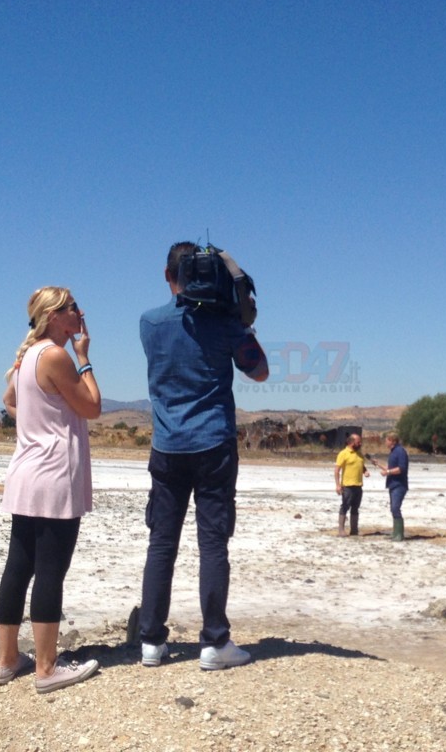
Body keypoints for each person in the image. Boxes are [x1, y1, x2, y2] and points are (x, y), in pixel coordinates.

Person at [138, 242, 269, 671]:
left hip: (166, 446)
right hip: (213, 445)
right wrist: (239, 314)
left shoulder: (149, 323)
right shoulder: (225, 325)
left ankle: (152, 642)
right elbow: (260, 370)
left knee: (162, 543)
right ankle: (215, 642)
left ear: (167, 274)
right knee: (212, 544)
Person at [0, 287, 101, 694]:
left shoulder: (26, 358)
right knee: (51, 570)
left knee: (19, 566)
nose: (80, 312)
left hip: (26, 471)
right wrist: (85, 357)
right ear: (55, 315)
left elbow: (9, 401)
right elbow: (91, 407)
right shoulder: (55, 355)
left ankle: (7, 661)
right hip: (54, 474)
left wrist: (36, 426)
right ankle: (45, 668)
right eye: (73, 307)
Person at [376, 432, 409, 541]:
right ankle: (396, 532)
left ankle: (399, 534)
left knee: (395, 508)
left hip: (399, 485)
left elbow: (401, 468)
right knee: (393, 508)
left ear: (392, 441)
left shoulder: (400, 452)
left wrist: (388, 472)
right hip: (393, 484)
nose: (385, 442)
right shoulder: (393, 452)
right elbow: (390, 467)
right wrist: (378, 464)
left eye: (387, 440)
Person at [334, 433, 368, 537]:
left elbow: (361, 465)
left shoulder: (360, 454)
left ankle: (354, 530)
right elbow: (337, 470)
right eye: (358, 442)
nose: (360, 443)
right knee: (345, 507)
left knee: (355, 508)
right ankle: (341, 530)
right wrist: (338, 485)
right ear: (351, 442)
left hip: (358, 486)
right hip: (347, 486)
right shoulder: (343, 454)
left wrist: (365, 471)